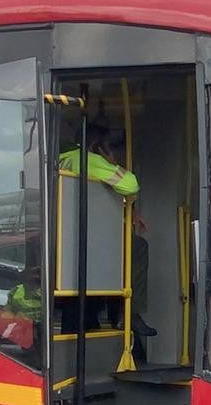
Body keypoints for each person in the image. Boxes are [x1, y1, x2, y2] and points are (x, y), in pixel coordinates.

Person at [59, 126, 156, 337]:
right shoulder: (89, 159)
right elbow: (130, 185)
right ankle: (127, 313)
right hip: (90, 235)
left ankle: (106, 314)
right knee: (138, 247)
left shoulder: (63, 158)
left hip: (64, 236)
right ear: (97, 147)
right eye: (109, 148)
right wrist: (111, 162)